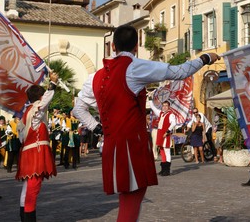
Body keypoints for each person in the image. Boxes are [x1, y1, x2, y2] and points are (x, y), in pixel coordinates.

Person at [73, 25, 220, 222]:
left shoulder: (95, 77)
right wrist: (206, 58)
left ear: (113, 46)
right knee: (132, 198)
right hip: (131, 144)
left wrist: (97, 128)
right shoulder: (135, 67)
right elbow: (179, 72)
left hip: (112, 144)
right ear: (136, 47)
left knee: (129, 198)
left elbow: (78, 109)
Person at [16, 72, 59, 221]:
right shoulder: (35, 111)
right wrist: (53, 84)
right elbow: (44, 103)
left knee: (27, 188)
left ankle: (24, 217)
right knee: (33, 188)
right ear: (40, 98)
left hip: (28, 153)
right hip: (36, 152)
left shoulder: (26, 112)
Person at [150, 100, 176, 175]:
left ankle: (167, 170)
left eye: (166, 106)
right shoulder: (161, 113)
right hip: (160, 134)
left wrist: (167, 131)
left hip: (166, 135)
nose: (164, 107)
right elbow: (153, 107)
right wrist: (151, 99)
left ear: (169, 107)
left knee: (167, 151)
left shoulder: (171, 114)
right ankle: (163, 169)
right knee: (161, 151)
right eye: (163, 105)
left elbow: (173, 123)